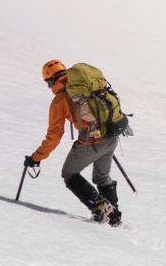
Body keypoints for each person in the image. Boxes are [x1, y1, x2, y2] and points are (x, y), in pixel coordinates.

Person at [25, 59, 123, 226]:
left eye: (48, 83)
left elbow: (54, 135)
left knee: (69, 174)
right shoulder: (86, 87)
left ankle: (100, 206)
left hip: (91, 142)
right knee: (102, 177)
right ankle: (114, 217)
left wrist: (36, 158)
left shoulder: (60, 100)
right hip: (111, 137)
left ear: (51, 80)